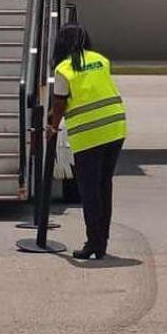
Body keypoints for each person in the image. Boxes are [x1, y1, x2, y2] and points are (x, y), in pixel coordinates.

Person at [46, 24, 127, 260]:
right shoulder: (101, 60)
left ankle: (93, 242)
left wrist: (52, 127)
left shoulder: (64, 68)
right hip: (115, 128)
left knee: (89, 189)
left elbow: (60, 104)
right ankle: (102, 241)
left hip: (90, 134)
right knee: (104, 185)